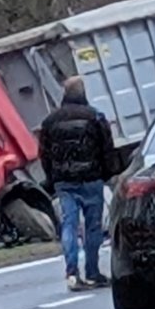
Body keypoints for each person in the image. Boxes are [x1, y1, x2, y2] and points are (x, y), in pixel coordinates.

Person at [39, 76, 115, 291]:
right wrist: (107, 174)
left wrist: (53, 178)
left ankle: (72, 272)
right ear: (83, 93)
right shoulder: (95, 117)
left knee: (69, 225)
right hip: (91, 179)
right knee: (93, 228)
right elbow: (107, 149)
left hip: (64, 183)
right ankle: (92, 272)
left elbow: (44, 154)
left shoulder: (50, 121)